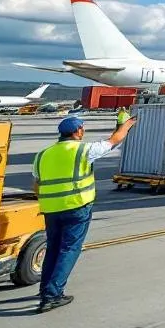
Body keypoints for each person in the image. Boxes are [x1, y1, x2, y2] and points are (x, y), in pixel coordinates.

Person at [33, 113, 136, 313]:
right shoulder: (84, 150)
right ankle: (52, 295)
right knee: (69, 249)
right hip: (77, 207)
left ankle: (45, 288)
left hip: (51, 210)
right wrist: (127, 125)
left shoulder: (42, 154)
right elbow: (114, 141)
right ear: (78, 131)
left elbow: (36, 185)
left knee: (53, 249)